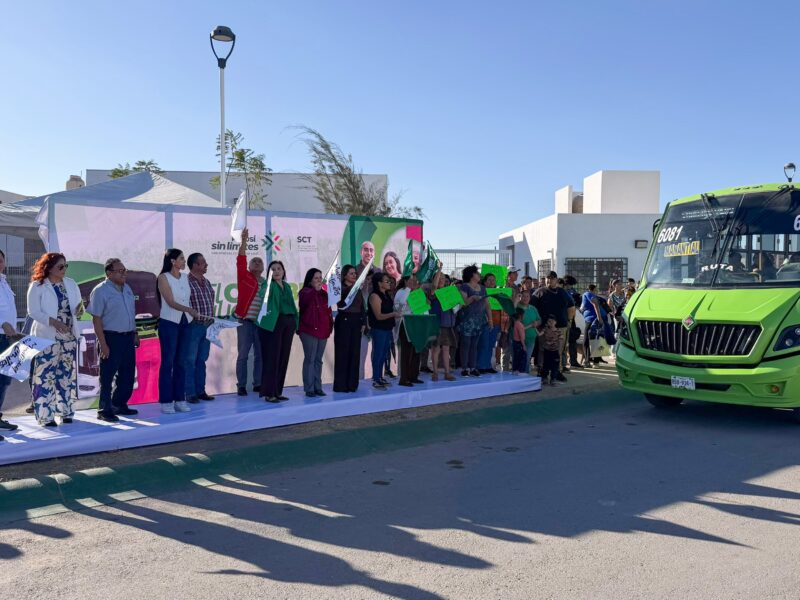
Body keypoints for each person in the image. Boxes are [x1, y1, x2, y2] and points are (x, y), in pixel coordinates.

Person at [27, 252, 82, 426]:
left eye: (66, 266)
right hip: (47, 337)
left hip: (68, 337)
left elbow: (77, 306)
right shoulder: (38, 286)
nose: (64, 269)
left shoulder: (71, 284)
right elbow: (33, 312)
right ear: (49, 268)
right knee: (45, 376)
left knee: (66, 375)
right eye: (60, 266)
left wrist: (79, 310)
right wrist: (54, 322)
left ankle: (66, 411)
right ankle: (46, 416)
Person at [87, 258, 139, 423]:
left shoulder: (127, 288)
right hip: (111, 337)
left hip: (128, 337)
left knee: (127, 374)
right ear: (109, 273)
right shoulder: (100, 291)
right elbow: (96, 319)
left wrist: (135, 333)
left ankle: (119, 404)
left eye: (125, 270)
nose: (124, 273)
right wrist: (103, 344)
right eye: (120, 271)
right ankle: (104, 409)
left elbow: (131, 312)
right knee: (107, 376)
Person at [157, 249, 199, 414]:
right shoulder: (163, 277)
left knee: (181, 362)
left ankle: (180, 399)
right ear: (173, 261)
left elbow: (187, 298)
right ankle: (166, 401)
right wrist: (189, 310)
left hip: (185, 322)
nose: (184, 261)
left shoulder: (186, 277)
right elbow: (170, 302)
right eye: (181, 258)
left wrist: (191, 312)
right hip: (169, 323)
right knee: (168, 362)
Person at [257, 260, 298, 403]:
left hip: (288, 323)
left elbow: (292, 305)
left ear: (283, 271)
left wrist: (295, 322)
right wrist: (267, 285)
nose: (276, 271)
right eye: (273, 269)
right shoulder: (268, 285)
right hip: (273, 325)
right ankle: (269, 393)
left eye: (279, 268)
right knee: (272, 358)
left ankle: (278, 391)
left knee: (283, 358)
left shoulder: (286, 286)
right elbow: (263, 294)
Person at [234, 228, 265, 396]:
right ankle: (241, 385)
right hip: (244, 322)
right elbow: (240, 259)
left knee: (260, 355)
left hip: (260, 325)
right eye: (254, 261)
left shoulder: (268, 284)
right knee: (243, 355)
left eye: (260, 261)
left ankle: (258, 384)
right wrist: (244, 241)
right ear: (249, 266)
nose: (257, 263)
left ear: (263, 267)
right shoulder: (244, 277)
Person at [532, 271, 575, 382]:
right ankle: (542, 372)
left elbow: (571, 306)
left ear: (556, 279)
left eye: (551, 278)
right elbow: (531, 308)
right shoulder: (539, 292)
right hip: (544, 328)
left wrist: (569, 321)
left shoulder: (563, 292)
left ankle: (557, 372)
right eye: (547, 278)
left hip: (561, 327)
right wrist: (537, 323)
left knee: (558, 351)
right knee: (543, 351)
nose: (549, 280)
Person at [185, 253, 215, 404]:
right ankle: (190, 393)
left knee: (201, 359)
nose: (206, 265)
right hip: (193, 326)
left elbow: (211, 301)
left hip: (207, 326)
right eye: (203, 263)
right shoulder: (186, 282)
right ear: (195, 265)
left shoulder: (206, 281)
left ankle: (200, 391)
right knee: (190, 360)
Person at [298, 268, 333, 397]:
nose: (319, 280)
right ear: (310, 280)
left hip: (323, 331)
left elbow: (328, 311)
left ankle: (318, 387)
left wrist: (330, 326)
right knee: (310, 359)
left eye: (320, 278)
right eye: (316, 278)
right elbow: (304, 302)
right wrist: (315, 290)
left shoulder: (324, 294)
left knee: (318, 360)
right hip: (309, 330)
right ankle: (309, 388)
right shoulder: (305, 292)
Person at [0, 249, 21, 437]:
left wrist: (13, 330)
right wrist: (2, 323)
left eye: (0, 260)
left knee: (4, 380)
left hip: (7, 339)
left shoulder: (4, 282)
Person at [333, 265, 364, 393]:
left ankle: (352, 384)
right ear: (345, 275)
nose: (354, 275)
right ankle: (341, 385)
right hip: (344, 321)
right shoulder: (340, 289)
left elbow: (362, 307)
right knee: (343, 353)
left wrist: (363, 322)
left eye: (355, 273)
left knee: (354, 353)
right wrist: (352, 289)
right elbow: (341, 303)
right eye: (351, 273)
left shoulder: (358, 290)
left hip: (356, 322)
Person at [368, 272, 400, 390]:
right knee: (378, 353)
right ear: (379, 283)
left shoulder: (386, 294)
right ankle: (376, 379)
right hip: (379, 329)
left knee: (384, 354)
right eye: (386, 281)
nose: (389, 283)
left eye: (389, 281)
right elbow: (378, 316)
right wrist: (393, 314)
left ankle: (380, 377)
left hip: (387, 328)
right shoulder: (374, 296)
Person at [458, 265, 491, 377]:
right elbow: (463, 304)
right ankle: (464, 368)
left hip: (479, 321)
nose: (479, 274)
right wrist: (472, 298)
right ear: (471, 275)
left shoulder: (482, 288)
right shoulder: (464, 287)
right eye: (477, 273)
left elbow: (487, 305)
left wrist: (490, 319)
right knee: (465, 344)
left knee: (474, 345)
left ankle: (473, 367)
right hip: (467, 321)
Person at [393, 275, 425, 387]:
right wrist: (408, 289)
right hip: (405, 324)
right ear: (405, 281)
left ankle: (413, 376)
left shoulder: (418, 292)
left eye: (415, 280)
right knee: (406, 351)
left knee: (417, 350)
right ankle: (404, 378)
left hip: (417, 324)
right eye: (411, 280)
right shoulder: (401, 292)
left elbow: (423, 309)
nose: (414, 282)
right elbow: (400, 306)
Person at [429, 271, 456, 382]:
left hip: (447, 324)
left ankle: (447, 372)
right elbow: (434, 286)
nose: (441, 280)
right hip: (436, 324)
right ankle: (435, 372)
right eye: (439, 278)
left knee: (446, 349)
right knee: (436, 349)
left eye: (443, 278)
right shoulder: (433, 292)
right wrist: (439, 270)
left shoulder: (449, 291)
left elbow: (457, 305)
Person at [477, 273, 500, 374]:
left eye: (493, 280)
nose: (492, 282)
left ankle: (488, 365)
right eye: (489, 280)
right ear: (485, 282)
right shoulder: (481, 291)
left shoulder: (499, 293)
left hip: (496, 322)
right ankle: (480, 366)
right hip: (485, 322)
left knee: (491, 345)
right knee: (483, 344)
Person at [517, 288, 541, 373]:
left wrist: (536, 323)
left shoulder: (533, 308)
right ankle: (518, 375)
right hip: (519, 339)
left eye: (527, 296)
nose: (525, 298)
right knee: (520, 358)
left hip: (531, 338)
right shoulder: (516, 307)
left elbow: (539, 320)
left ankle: (525, 375)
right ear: (520, 297)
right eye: (523, 296)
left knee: (527, 358)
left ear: (530, 298)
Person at [581, 284, 604, 368]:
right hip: (594, 319)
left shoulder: (587, 294)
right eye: (596, 289)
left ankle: (588, 361)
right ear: (593, 289)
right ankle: (595, 362)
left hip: (591, 320)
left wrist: (599, 318)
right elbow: (595, 304)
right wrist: (599, 318)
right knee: (596, 340)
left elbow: (595, 304)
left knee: (587, 341)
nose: (597, 291)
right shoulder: (589, 294)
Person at [562, 275, 583, 370]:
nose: (571, 287)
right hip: (564, 318)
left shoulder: (572, 292)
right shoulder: (562, 292)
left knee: (572, 339)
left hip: (572, 318)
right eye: (570, 285)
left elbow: (577, 304)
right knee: (563, 342)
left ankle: (573, 361)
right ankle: (564, 363)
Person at [540, 315, 562, 386]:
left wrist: (560, 350)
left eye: (553, 321)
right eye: (549, 321)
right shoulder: (545, 330)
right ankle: (544, 378)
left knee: (555, 366)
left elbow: (561, 341)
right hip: (547, 350)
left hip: (555, 351)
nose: (551, 323)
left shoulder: (558, 331)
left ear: (556, 322)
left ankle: (553, 379)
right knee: (546, 365)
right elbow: (540, 335)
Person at [511, 308, 528, 375]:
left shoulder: (515, 323)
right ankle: (521, 371)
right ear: (520, 316)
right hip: (520, 343)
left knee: (516, 357)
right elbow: (521, 337)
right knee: (522, 357)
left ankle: (515, 370)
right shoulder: (520, 324)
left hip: (515, 343)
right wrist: (524, 345)